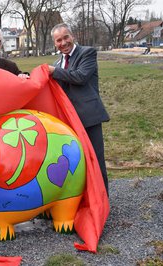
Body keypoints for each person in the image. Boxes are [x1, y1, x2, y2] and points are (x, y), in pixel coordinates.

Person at [48, 23, 110, 196]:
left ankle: (102, 200)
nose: (63, 42)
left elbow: (80, 76)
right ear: (55, 43)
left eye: (66, 37)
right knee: (76, 162)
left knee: (96, 160)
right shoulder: (57, 62)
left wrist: (53, 71)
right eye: (59, 40)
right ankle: (83, 198)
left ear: (72, 36)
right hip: (68, 122)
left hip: (89, 117)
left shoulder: (87, 53)